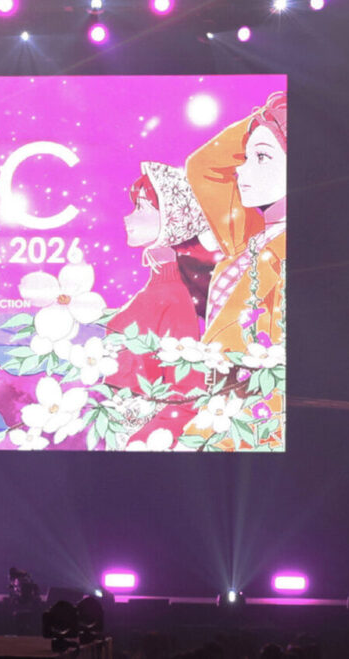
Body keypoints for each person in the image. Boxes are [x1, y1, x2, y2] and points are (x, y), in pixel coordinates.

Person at [180, 91, 287, 450]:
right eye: (245, 156)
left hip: (253, 417)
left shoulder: (287, 250)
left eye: (261, 157)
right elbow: (204, 167)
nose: (240, 168)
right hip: (223, 405)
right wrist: (265, 118)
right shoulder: (251, 235)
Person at [105, 162, 215, 449]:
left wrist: (139, 443)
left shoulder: (174, 297)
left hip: (145, 442)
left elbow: (188, 392)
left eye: (141, 208)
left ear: (172, 218)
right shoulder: (154, 291)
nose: (128, 217)